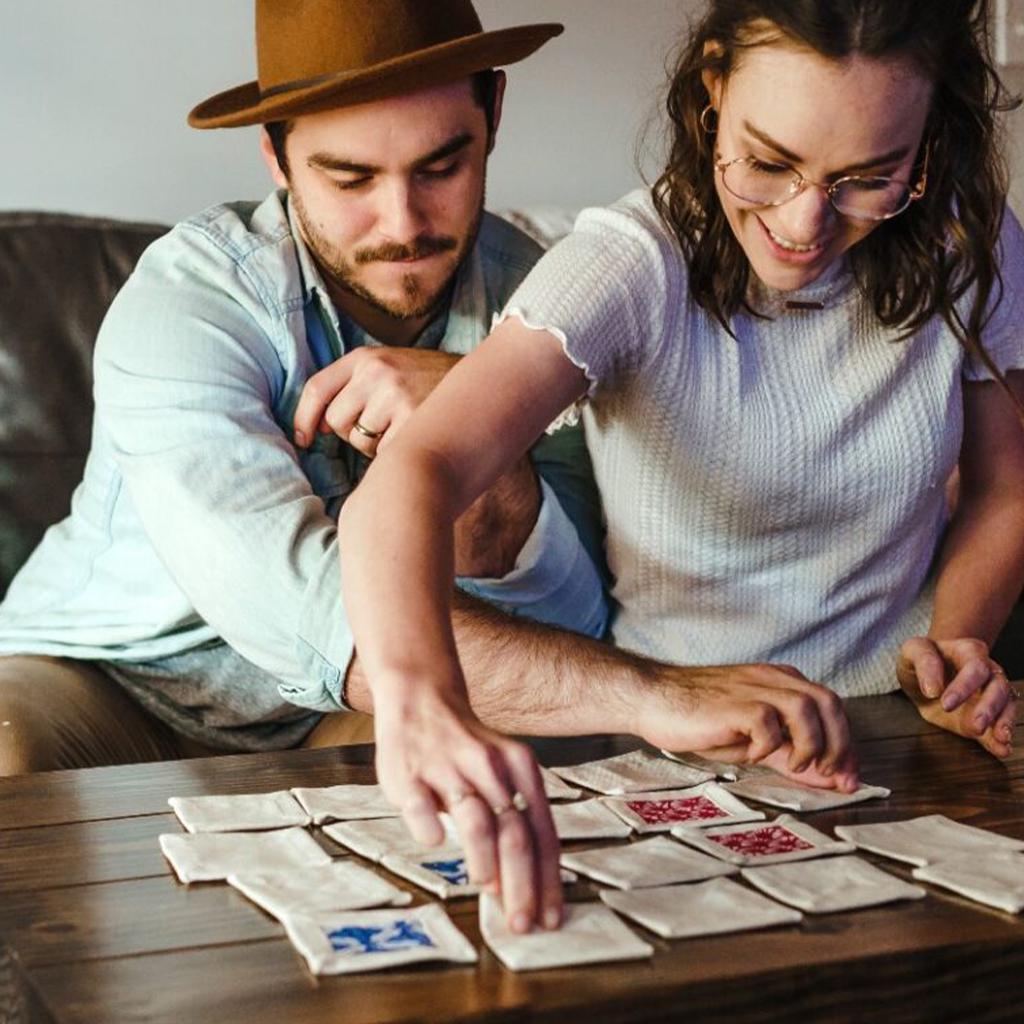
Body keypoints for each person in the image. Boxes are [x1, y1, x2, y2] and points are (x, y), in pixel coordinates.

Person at [329, 0, 1024, 933]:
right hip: (686, 757)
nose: (805, 224)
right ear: (711, 90)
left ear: (930, 142)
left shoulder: (967, 243)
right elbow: (416, 472)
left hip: (896, 743)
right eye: (768, 163)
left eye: (868, 177)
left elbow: (1005, 485)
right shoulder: (628, 262)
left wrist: (955, 646)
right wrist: (423, 703)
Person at [0, 1, 614, 769]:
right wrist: (660, 696)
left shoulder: (549, 305)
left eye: (440, 167)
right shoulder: (187, 301)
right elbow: (300, 610)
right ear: (277, 158)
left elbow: (574, 619)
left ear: (493, 111)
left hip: (348, 709)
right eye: (350, 177)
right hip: (105, 678)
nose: (402, 223)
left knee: (489, 769)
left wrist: (479, 435)